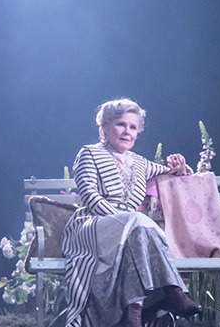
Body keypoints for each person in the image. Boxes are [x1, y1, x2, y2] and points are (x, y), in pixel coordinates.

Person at [61, 98, 202, 327]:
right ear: (104, 127)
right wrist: (124, 221)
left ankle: (133, 311)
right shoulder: (89, 153)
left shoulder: (140, 163)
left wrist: (181, 167)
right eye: (120, 124)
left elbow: (174, 173)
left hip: (133, 232)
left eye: (133, 127)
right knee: (138, 221)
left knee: (137, 228)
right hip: (94, 226)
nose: (127, 131)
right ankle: (173, 291)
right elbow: (90, 197)